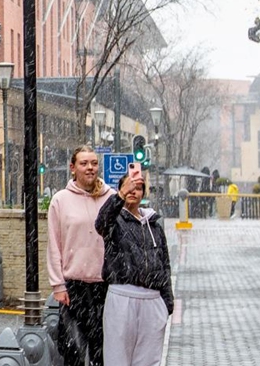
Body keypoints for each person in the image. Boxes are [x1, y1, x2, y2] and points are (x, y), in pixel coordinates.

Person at [95, 172, 174, 366]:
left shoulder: (154, 224)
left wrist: (167, 303)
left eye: (138, 188)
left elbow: (164, 263)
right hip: (122, 296)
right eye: (129, 187)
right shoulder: (115, 220)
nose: (133, 192)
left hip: (152, 300)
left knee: (148, 360)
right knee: (117, 357)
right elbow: (101, 223)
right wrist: (119, 196)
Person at [47, 145, 113, 366]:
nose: (90, 168)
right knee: (72, 349)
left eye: (94, 163)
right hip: (73, 287)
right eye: (84, 163)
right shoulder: (60, 200)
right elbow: (54, 245)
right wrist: (58, 285)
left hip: (106, 286)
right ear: (72, 168)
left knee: (103, 350)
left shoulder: (111, 198)